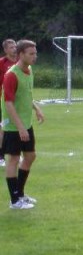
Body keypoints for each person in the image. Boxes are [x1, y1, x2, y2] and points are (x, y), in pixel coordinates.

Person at [1, 40, 44, 209]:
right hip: (13, 126)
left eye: (35, 53)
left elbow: (26, 95)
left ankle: (20, 194)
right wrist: (19, 127)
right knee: (12, 160)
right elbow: (8, 103)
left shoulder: (29, 70)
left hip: (26, 123)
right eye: (31, 54)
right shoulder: (11, 74)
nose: (35, 57)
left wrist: (37, 109)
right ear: (21, 55)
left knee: (30, 156)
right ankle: (14, 201)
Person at [0, 38, 18, 168]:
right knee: (3, 128)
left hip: (17, 101)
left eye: (15, 46)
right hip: (3, 100)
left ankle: (14, 153)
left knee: (16, 127)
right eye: (11, 47)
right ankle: (1, 156)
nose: (14, 49)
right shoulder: (2, 63)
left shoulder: (20, 62)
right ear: (5, 50)